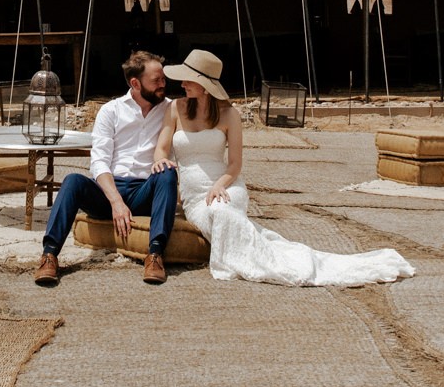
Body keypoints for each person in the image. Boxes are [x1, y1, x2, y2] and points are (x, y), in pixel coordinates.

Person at [156, 49, 415, 287]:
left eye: (188, 79)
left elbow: (235, 164)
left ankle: (282, 263)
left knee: (224, 211)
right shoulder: (175, 108)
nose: (182, 84)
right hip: (195, 199)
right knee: (221, 217)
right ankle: (279, 258)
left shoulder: (229, 115)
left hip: (226, 186)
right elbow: (162, 148)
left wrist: (219, 185)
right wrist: (161, 162)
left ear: (204, 86)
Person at [37, 51, 178, 287]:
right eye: (156, 81)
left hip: (146, 190)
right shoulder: (111, 111)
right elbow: (99, 162)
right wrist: (116, 202)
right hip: (109, 192)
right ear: (135, 83)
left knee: (167, 171)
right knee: (72, 180)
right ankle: (49, 255)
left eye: (163, 79)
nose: (163, 85)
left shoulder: (171, 109)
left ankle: (155, 255)